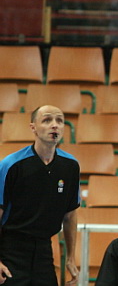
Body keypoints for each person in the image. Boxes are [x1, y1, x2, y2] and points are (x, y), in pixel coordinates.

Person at [0, 105, 80, 286]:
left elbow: (70, 216)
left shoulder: (70, 166)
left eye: (59, 120)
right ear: (33, 127)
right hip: (11, 249)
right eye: (47, 120)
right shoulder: (11, 165)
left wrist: (70, 258)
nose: (55, 125)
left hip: (44, 250)